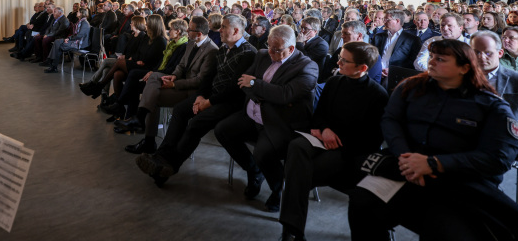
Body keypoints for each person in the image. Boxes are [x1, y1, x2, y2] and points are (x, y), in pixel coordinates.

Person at [348, 39, 518, 241]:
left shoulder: (491, 106)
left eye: (440, 59)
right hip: (405, 166)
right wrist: (405, 157)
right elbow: (391, 121)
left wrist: (434, 164)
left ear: (464, 67)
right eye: (431, 57)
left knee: (442, 229)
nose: (431, 62)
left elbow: (498, 158)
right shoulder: (410, 88)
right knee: (361, 202)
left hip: (456, 179)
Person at [277, 42, 388, 241]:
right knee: (296, 146)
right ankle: (292, 230)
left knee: (298, 174)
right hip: (323, 139)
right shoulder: (335, 81)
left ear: (362, 68)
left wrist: (336, 140)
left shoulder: (377, 95)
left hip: (348, 151)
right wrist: (326, 130)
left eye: (344, 61)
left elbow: (371, 140)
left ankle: (292, 231)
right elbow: (319, 115)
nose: (338, 62)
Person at [136, 14, 256, 186]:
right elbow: (208, 78)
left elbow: (234, 88)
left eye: (223, 27)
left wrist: (208, 102)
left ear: (236, 30)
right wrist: (200, 96)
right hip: (212, 96)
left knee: (196, 124)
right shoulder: (224, 48)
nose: (219, 30)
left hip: (230, 102)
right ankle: (161, 156)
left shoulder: (248, 53)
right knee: (179, 110)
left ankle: (169, 167)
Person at [215, 25, 319, 213]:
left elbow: (285, 95)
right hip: (253, 114)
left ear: (291, 49)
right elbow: (243, 81)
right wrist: (261, 92)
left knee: (262, 153)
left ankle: (278, 190)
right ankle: (254, 171)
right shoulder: (263, 54)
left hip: (279, 122)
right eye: (269, 46)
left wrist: (256, 84)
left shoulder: (307, 66)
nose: (271, 52)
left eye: (276, 50)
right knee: (222, 131)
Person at [124, 17, 218, 154]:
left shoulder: (211, 50)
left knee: (153, 97)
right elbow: (181, 65)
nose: (186, 31)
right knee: (154, 76)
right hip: (180, 82)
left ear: (198, 33)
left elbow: (200, 80)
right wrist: (174, 75)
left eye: (189, 29)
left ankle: (146, 135)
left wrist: (174, 83)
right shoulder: (191, 43)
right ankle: (142, 125)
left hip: (191, 91)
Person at [471, 31, 518, 177]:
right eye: (476, 53)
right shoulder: (461, 79)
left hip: (508, 145)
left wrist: (512, 126)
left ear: (500, 53)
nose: (481, 58)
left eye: (488, 53)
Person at [43, 8, 91, 73]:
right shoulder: (79, 21)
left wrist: (69, 39)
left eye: (78, 12)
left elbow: (79, 36)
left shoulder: (85, 23)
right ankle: (52, 64)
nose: (77, 13)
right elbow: (75, 34)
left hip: (79, 43)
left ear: (82, 13)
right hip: (75, 40)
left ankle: (52, 64)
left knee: (58, 46)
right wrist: (68, 38)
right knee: (57, 42)